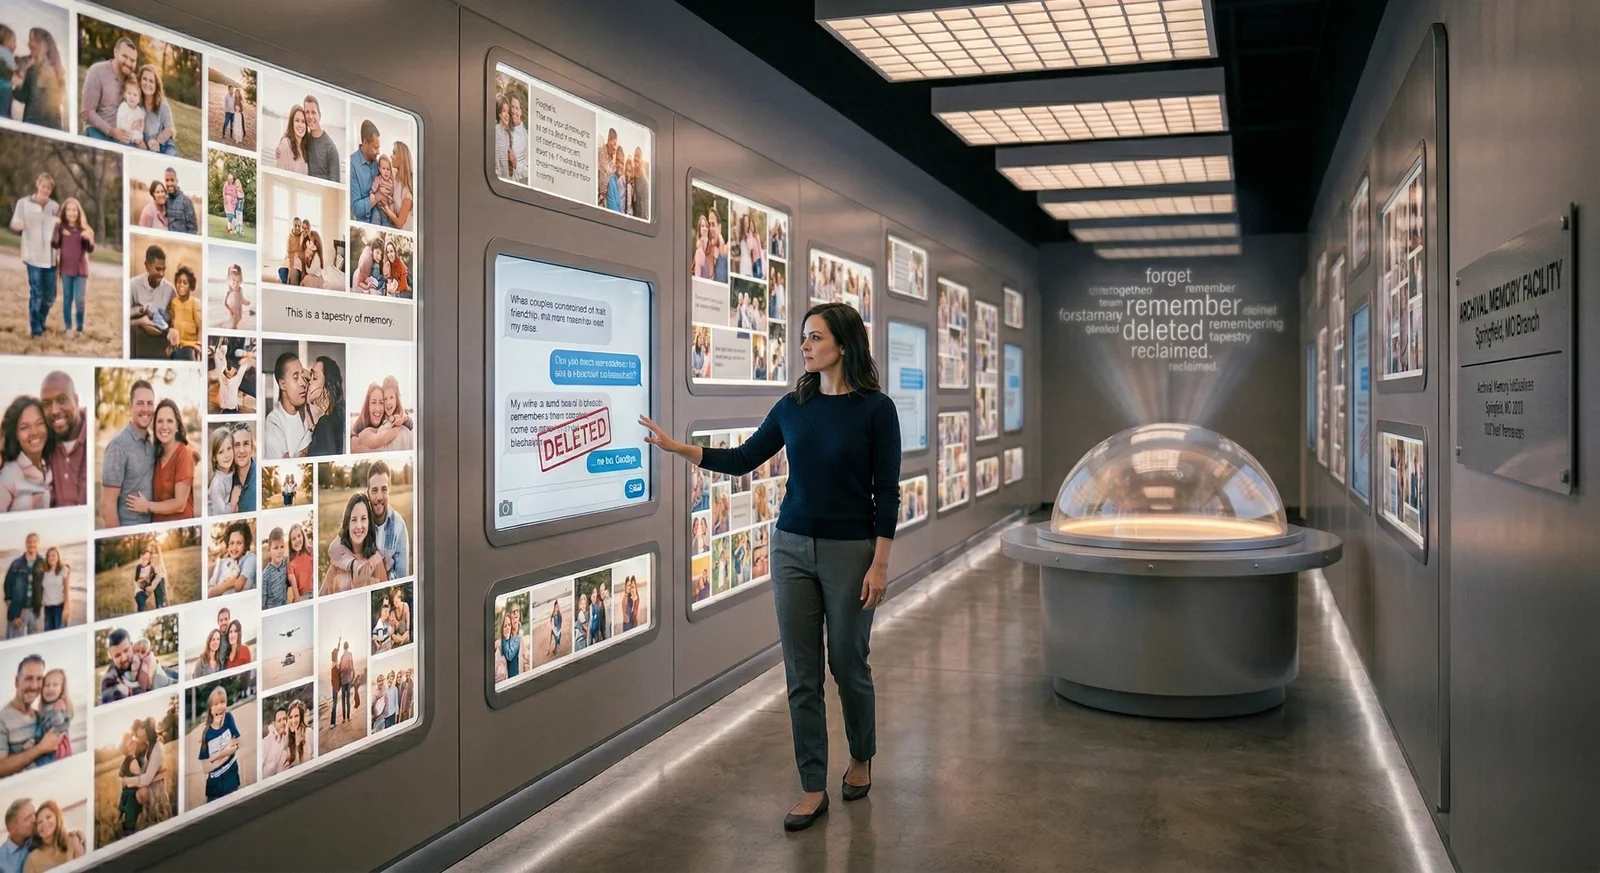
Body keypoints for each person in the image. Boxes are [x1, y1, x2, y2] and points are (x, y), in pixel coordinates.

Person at [640, 302, 899, 830]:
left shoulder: (877, 410)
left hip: (852, 554)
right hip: (790, 548)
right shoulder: (793, 406)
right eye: (803, 338)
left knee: (848, 666)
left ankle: (861, 756)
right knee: (801, 675)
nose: (804, 347)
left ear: (843, 345)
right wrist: (677, 448)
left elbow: (887, 494)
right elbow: (742, 459)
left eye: (815, 338)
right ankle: (811, 786)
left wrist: (880, 564)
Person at [327, 461, 408, 579]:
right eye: (375, 490)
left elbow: (403, 577)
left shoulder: (398, 526)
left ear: (389, 490)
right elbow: (334, 549)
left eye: (384, 489)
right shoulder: (361, 519)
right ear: (368, 492)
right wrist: (354, 565)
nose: (379, 497)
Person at [126, 399, 194, 523]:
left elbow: (180, 504)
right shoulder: (156, 454)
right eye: (160, 421)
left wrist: (147, 506)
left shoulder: (184, 453)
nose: (164, 426)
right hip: (158, 526)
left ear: (177, 425)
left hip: (180, 525)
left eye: (170, 421)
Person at [101, 380, 157, 529]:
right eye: (140, 403)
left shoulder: (152, 444)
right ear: (130, 407)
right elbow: (107, 506)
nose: (145, 409)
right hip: (128, 530)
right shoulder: (118, 446)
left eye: (149, 403)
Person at [10, 172, 58, 340]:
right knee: (36, 293)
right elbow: (14, 223)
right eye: (43, 186)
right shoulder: (23, 203)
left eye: (49, 188)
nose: (45, 190)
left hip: (51, 258)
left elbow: (61, 227)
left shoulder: (54, 206)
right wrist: (20, 224)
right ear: (37, 184)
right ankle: (36, 329)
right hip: (33, 256)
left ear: (51, 190)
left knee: (50, 296)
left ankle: (40, 321)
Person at [322, 493, 387, 594]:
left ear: (369, 523)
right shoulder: (338, 563)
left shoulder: (376, 561)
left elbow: (384, 598)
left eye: (363, 519)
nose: (359, 526)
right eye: (354, 520)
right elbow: (322, 601)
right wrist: (357, 584)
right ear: (347, 524)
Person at [40, 372, 85, 509]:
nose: (54, 410)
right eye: (46, 404)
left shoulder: (93, 440)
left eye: (61, 400)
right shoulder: (43, 445)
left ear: (76, 401)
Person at [48, 198, 93, 337]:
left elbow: (90, 249)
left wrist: (88, 238)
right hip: (66, 269)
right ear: (64, 212)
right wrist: (57, 228)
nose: (72, 213)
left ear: (78, 212)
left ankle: (79, 328)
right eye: (69, 210)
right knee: (67, 298)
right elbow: (54, 244)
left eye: (74, 210)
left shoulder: (84, 229)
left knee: (79, 299)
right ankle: (68, 327)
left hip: (81, 270)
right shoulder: (61, 228)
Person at [0, 397, 52, 513]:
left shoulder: (50, 468)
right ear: (15, 434)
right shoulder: (8, 477)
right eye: (24, 427)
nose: (34, 432)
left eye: (39, 423)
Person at [80, 37, 136, 142]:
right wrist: (110, 130)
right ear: (115, 52)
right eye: (125, 56)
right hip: (97, 130)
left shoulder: (132, 80)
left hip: (123, 136)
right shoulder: (97, 71)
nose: (129, 63)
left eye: (133, 60)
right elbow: (87, 112)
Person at [129, 245, 177, 356]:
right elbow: (123, 318)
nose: (162, 274)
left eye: (163, 269)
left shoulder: (170, 290)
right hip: (138, 338)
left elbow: (175, 318)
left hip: (161, 341)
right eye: (158, 269)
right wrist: (141, 320)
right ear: (147, 266)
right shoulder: (133, 285)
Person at [13, 28, 65, 131]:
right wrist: (20, 77)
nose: (29, 43)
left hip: (46, 126)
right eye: (29, 40)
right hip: (30, 123)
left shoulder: (49, 70)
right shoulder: (32, 68)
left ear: (44, 45)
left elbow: (41, 105)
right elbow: (22, 96)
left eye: (33, 39)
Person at [197, 686, 242, 803]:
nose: (220, 706)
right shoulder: (207, 733)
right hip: (215, 788)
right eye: (215, 704)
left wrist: (216, 756)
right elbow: (206, 768)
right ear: (210, 709)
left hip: (232, 781)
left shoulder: (228, 718)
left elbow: (237, 743)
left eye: (222, 702)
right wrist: (225, 752)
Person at [263, 353, 310, 459]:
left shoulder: (308, 414)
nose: (302, 383)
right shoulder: (274, 422)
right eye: (295, 377)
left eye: (303, 377)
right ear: (282, 385)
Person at [23, 798, 84, 873]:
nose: (44, 823)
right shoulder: (32, 858)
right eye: (40, 822)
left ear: (57, 818)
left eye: (48, 817)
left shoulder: (73, 841)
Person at [306, 356, 345, 457]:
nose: (309, 382)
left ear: (328, 385)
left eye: (314, 378)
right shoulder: (335, 420)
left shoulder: (325, 424)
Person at [136, 65, 178, 156]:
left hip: (163, 144)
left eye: (151, 81)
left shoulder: (163, 104)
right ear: (139, 81)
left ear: (156, 85)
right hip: (142, 143)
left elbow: (170, 129)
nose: (147, 83)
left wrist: (156, 142)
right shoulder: (135, 100)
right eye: (144, 79)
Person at [350, 119, 385, 226]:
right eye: (375, 148)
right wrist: (376, 197)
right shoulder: (352, 165)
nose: (378, 152)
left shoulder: (377, 163)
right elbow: (356, 208)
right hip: (364, 225)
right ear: (365, 142)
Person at [207, 521, 256, 597]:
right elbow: (209, 592)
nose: (234, 547)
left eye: (239, 543)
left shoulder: (250, 558)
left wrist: (221, 587)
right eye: (232, 543)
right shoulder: (222, 563)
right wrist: (227, 584)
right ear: (228, 544)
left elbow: (238, 585)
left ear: (245, 544)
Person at [302, 95, 341, 182]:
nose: (310, 116)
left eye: (313, 112)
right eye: (307, 112)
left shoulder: (331, 149)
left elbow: (335, 185)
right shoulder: (304, 140)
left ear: (319, 116)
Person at [167, 267, 202, 360]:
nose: (181, 285)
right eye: (179, 282)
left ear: (190, 285)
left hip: (191, 346)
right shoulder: (174, 302)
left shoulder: (195, 302)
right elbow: (173, 323)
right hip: (177, 345)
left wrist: (199, 344)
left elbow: (200, 326)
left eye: (185, 283)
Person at [380, 142, 415, 231]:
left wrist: (386, 208)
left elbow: (400, 223)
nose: (391, 156)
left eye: (394, 153)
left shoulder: (407, 192)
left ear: (402, 158)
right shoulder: (394, 175)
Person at [205, 427, 239, 516]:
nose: (227, 455)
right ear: (214, 457)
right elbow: (220, 513)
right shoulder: (217, 483)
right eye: (221, 452)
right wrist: (233, 502)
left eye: (229, 448)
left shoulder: (232, 471)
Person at [35, 550, 68, 633]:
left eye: (53, 555)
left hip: (59, 608)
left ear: (58, 557)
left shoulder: (63, 570)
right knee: (49, 637)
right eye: (49, 556)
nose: (51, 558)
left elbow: (67, 590)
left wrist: (66, 608)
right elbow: (40, 587)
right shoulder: (44, 572)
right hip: (47, 610)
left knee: (60, 636)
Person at [274, 104, 309, 174]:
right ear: (291, 123)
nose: (300, 125)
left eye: (303, 121)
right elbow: (279, 175)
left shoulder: (305, 147)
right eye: (297, 120)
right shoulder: (285, 144)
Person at [161, 167, 197, 234]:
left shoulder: (186, 201)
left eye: (172, 180)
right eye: (167, 180)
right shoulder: (164, 201)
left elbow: (193, 229)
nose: (169, 183)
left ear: (177, 181)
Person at [287, 524, 313, 601]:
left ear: (303, 536)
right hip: (303, 597)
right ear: (290, 543)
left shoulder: (311, 551)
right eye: (293, 539)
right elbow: (296, 593)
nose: (297, 540)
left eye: (299, 536)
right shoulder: (291, 563)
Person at [260, 708, 289, 779]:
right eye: (279, 720)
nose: (283, 723)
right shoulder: (266, 742)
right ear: (274, 724)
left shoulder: (287, 740)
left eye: (284, 719)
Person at [492, 95, 512, 181]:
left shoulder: (507, 135)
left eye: (508, 112)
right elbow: (496, 162)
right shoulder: (496, 131)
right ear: (499, 113)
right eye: (504, 111)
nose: (507, 115)